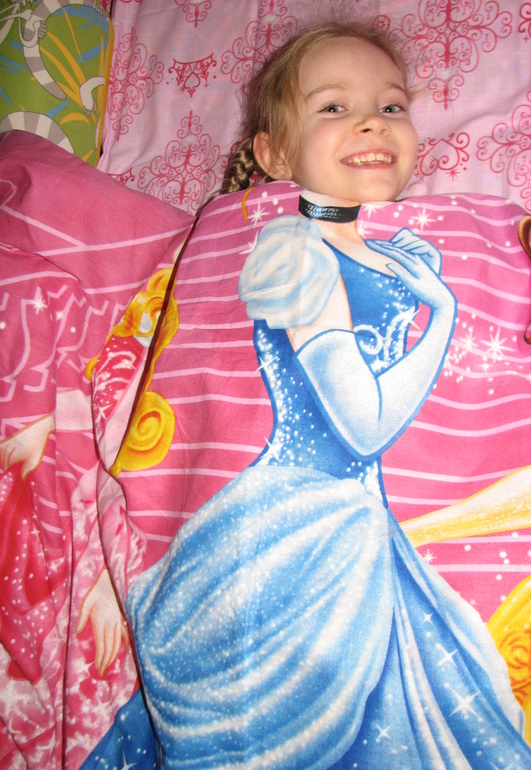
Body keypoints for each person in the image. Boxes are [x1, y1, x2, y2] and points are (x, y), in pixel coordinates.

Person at [87, 23, 531, 769]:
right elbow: (363, 426)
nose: (372, 123)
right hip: (299, 528)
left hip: (367, 519)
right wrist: (442, 309)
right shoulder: (289, 247)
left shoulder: (415, 245)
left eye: (392, 107)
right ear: (274, 156)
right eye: (334, 108)